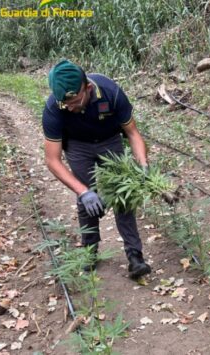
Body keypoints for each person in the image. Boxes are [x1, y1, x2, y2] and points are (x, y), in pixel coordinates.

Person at [41, 59, 151, 279]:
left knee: (123, 195)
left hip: (110, 140)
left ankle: (134, 255)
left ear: (87, 88)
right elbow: (52, 160)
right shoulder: (54, 107)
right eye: (65, 103)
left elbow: (132, 133)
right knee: (87, 200)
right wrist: (83, 192)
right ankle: (90, 249)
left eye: (73, 101)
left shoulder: (111, 92)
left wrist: (143, 165)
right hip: (77, 145)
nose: (69, 107)